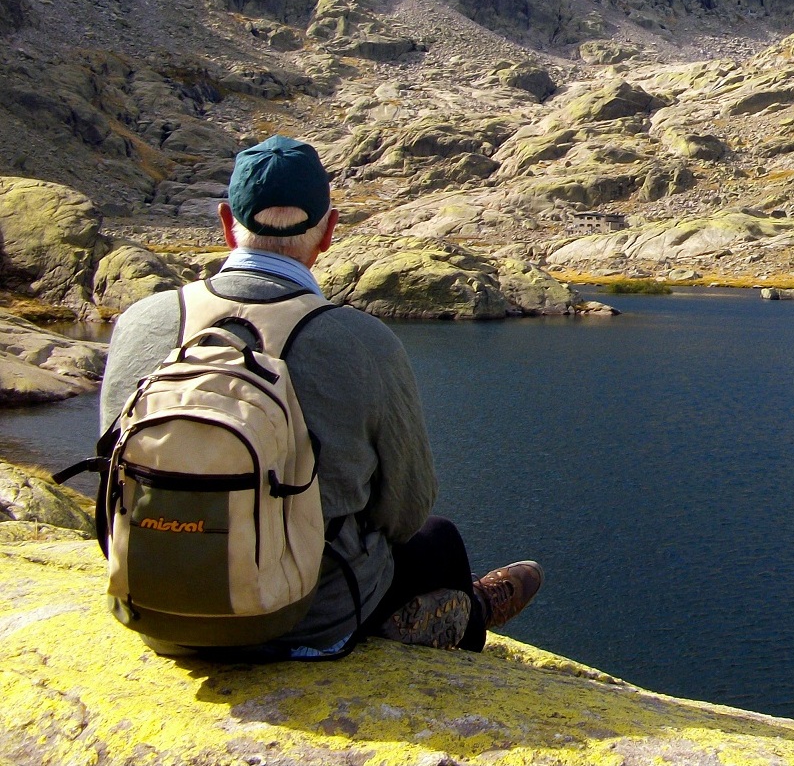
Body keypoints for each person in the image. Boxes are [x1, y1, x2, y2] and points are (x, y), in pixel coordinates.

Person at [100, 135, 541, 655]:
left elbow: (109, 481)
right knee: (436, 538)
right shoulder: (361, 340)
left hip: (153, 606)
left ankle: (467, 608)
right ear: (329, 231)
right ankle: (469, 614)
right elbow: (404, 510)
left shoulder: (140, 322)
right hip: (305, 618)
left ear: (225, 223)